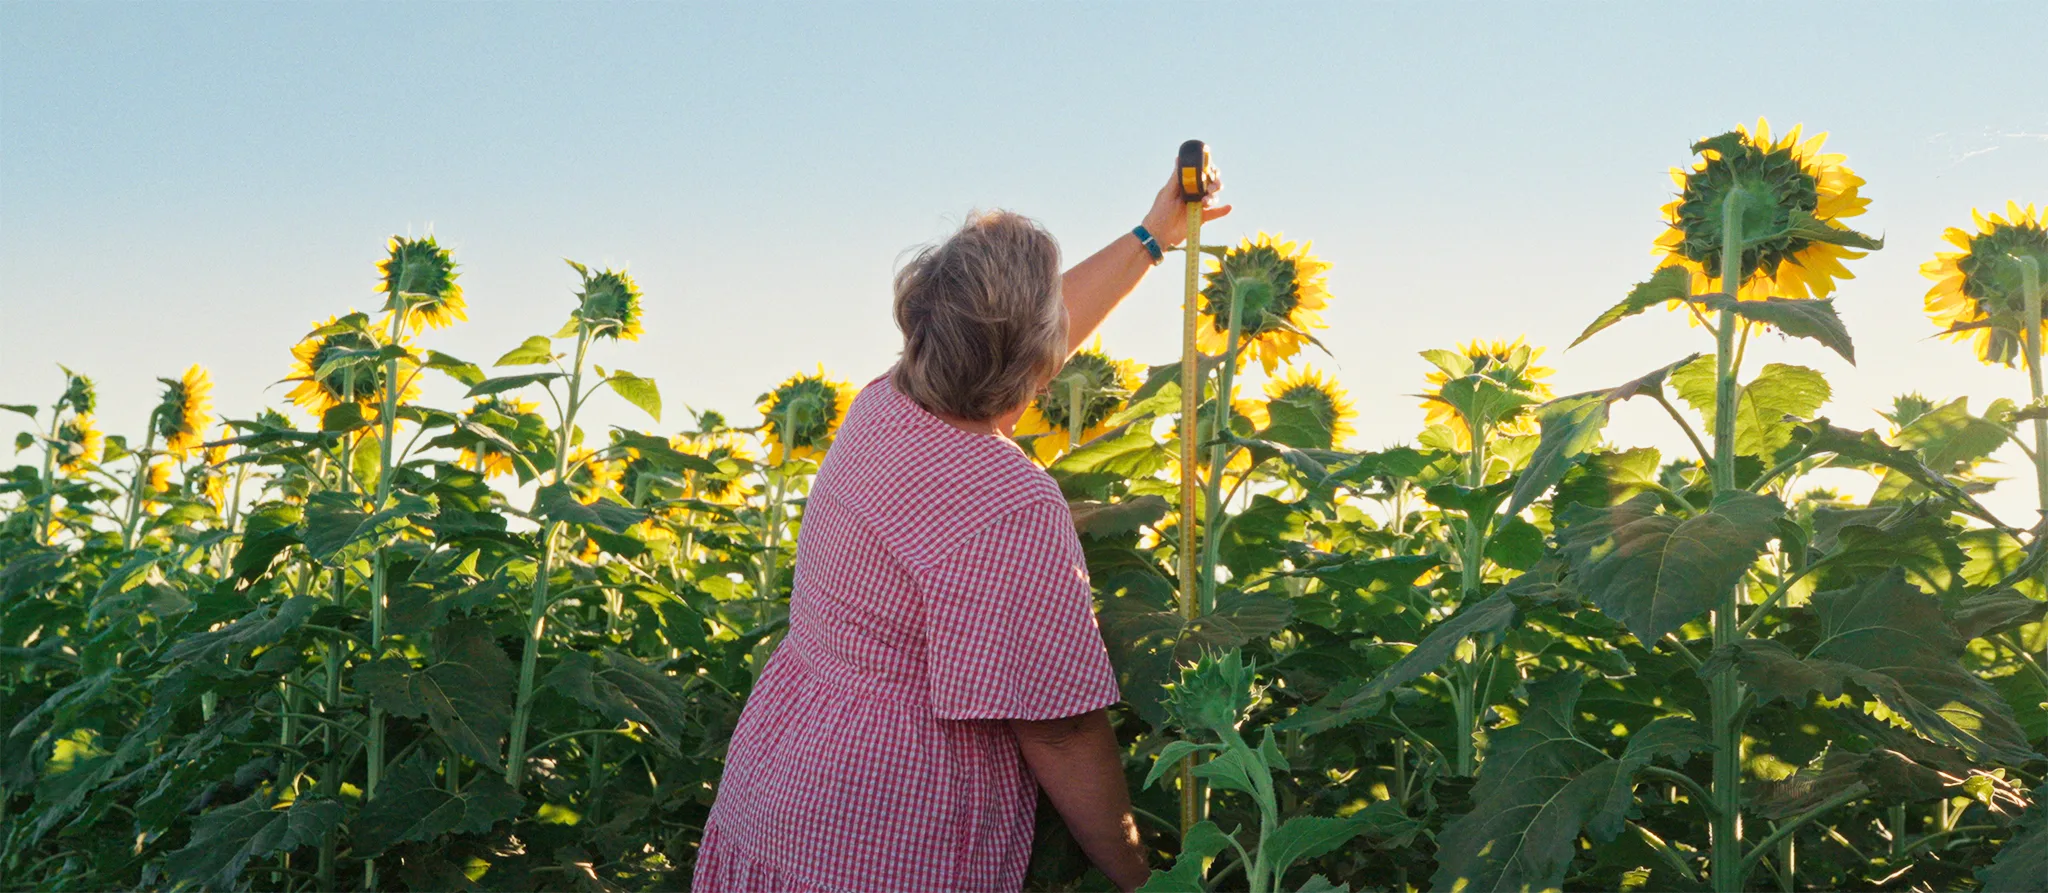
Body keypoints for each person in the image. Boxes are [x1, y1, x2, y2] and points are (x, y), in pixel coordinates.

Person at [693, 158, 1230, 892]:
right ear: (1040, 359)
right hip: (890, 830)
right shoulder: (1008, 502)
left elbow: (1003, 341)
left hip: (781, 787)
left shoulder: (879, 408)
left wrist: (1151, 234)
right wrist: (1143, 876)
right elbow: (1061, 729)